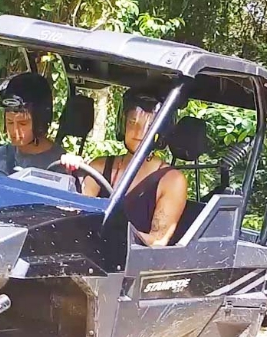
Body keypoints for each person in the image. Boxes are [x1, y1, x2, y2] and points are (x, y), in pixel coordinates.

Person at [59, 80, 188, 247]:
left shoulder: (171, 181)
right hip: (88, 253)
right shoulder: (99, 166)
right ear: (123, 124)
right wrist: (73, 173)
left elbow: (157, 240)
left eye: (149, 126)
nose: (138, 133)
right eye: (132, 123)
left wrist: (113, 232)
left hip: (131, 261)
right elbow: (77, 213)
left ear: (161, 131)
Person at [0, 72, 65, 175]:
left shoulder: (60, 164)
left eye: (22, 123)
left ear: (40, 122)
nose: (15, 131)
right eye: (10, 122)